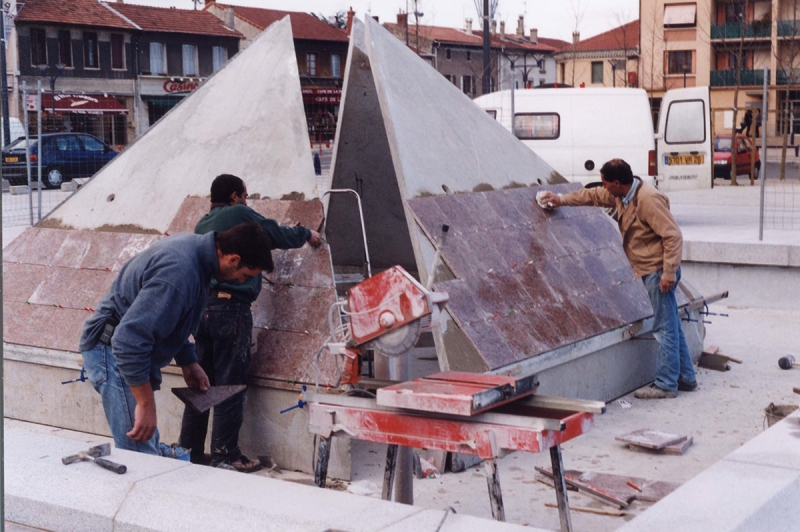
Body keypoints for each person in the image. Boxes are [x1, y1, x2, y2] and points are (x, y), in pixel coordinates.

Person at [80, 222, 275, 455]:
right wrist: (145, 403)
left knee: (146, 445)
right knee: (139, 453)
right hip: (112, 350)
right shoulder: (180, 272)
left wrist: (188, 361)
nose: (241, 282)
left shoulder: (197, 256)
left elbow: (168, 318)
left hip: (123, 346)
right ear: (233, 259)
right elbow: (128, 341)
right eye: (244, 275)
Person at [178, 174, 322, 472]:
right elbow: (271, 233)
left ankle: (189, 450)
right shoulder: (239, 214)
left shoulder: (202, 224)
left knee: (201, 382)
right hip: (231, 310)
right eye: (245, 196)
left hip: (202, 310)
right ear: (234, 196)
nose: (247, 201)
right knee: (231, 383)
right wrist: (307, 233)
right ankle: (226, 455)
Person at [539, 159, 697, 399]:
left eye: (605, 182)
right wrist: (560, 199)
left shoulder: (647, 199)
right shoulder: (621, 194)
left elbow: (673, 236)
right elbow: (591, 196)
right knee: (671, 323)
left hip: (658, 271)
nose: (603, 187)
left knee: (664, 328)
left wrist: (668, 273)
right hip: (651, 269)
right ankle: (686, 377)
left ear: (616, 182)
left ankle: (666, 384)